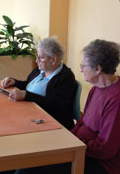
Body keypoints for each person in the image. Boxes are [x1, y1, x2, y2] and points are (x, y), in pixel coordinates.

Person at [15, 39, 120, 174]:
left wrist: (71, 142)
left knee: (32, 168)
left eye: (83, 65)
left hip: (100, 163)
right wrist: (65, 137)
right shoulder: (96, 89)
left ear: (98, 69)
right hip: (79, 146)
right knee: (29, 156)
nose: (81, 69)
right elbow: (82, 122)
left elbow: (105, 149)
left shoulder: (116, 98)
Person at [1, 37, 76, 130]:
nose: (37, 61)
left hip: (50, 123)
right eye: (37, 56)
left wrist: (26, 95)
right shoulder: (41, 69)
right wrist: (15, 82)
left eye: (41, 57)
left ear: (53, 59)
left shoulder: (65, 77)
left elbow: (56, 105)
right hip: (29, 112)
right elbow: (29, 85)